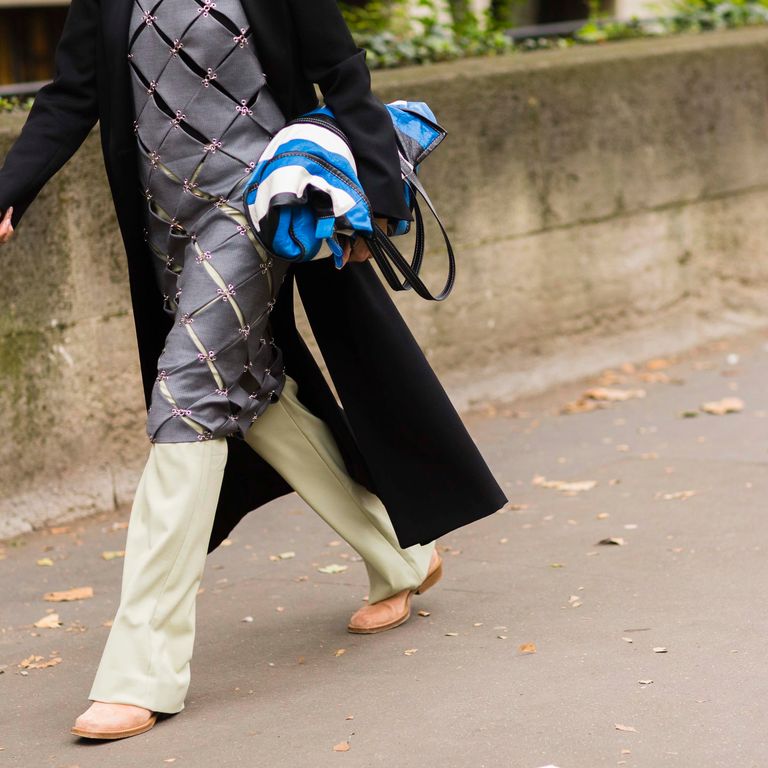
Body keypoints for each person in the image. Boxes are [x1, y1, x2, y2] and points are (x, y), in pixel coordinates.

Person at [0, 0, 508, 742]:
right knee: (253, 395)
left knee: (188, 399)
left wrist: (380, 203)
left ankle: (142, 669)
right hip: (163, 227)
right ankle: (399, 554)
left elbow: (342, 75)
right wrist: (11, 188)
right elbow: (73, 93)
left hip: (252, 212)